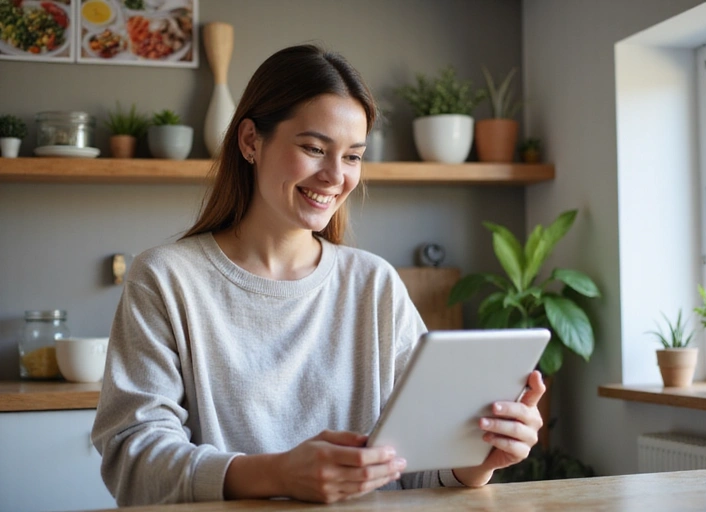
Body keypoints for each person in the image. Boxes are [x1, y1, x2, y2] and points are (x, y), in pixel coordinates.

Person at [91, 44, 546, 506]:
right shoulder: (167, 278)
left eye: (352, 156)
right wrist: (278, 474)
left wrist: (479, 456)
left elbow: (412, 464)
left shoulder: (374, 284)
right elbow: (134, 459)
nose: (335, 176)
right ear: (250, 141)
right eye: (314, 148)